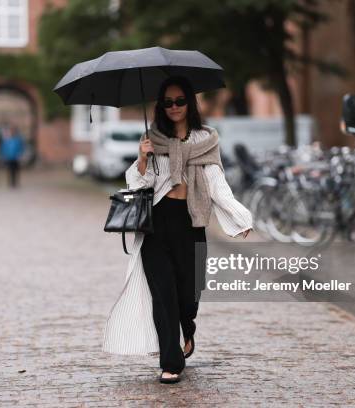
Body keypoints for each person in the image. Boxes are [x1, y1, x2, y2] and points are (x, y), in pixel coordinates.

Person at [102, 76, 253, 384]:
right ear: (161, 106)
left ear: (190, 103)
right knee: (164, 297)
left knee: (189, 294)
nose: (174, 107)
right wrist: (143, 159)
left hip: (191, 223)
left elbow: (217, 184)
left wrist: (239, 218)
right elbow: (138, 186)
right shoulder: (152, 139)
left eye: (180, 101)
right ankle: (170, 362)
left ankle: (188, 326)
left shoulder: (206, 140)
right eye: (168, 102)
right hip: (156, 225)